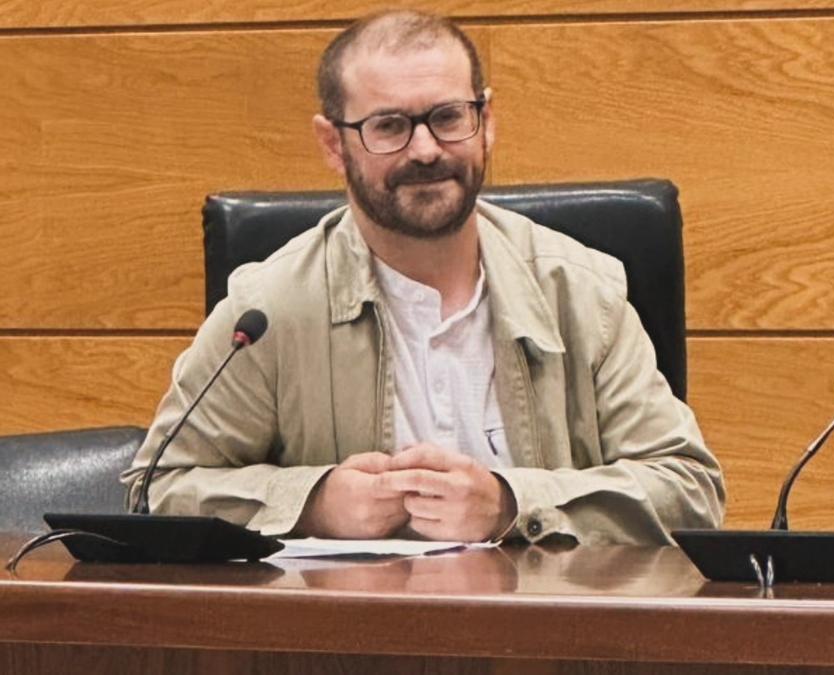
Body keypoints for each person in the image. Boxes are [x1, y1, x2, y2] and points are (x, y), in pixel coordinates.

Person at [122, 10, 724, 545]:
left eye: (447, 117)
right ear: (333, 144)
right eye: (389, 126)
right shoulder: (271, 310)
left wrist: (512, 504)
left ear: (485, 121)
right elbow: (158, 488)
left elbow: (690, 492)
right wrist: (311, 503)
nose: (427, 149)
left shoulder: (583, 292)